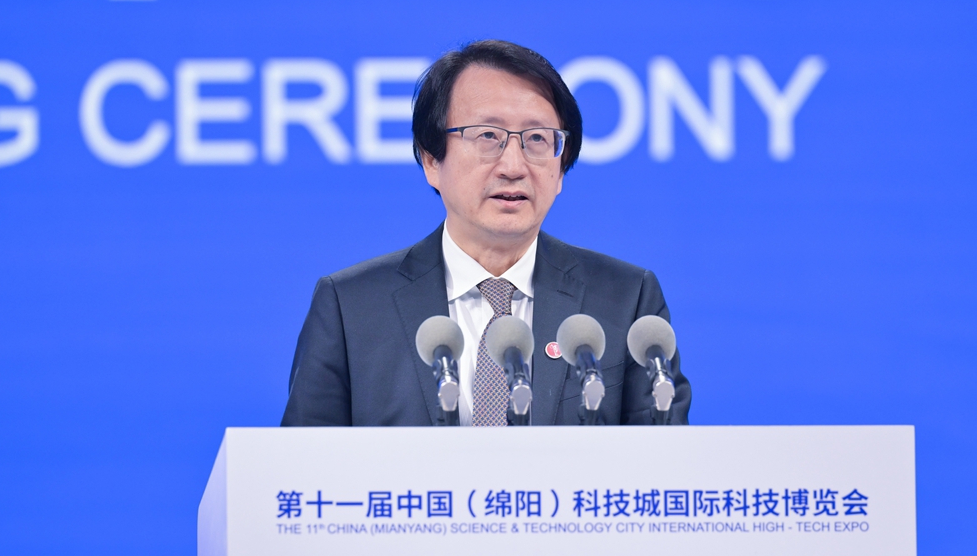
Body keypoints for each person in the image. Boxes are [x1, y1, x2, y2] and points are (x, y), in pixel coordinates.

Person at [282, 40, 690, 426]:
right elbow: (302, 465)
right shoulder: (351, 308)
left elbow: (667, 461)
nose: (513, 166)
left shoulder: (626, 300)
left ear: (561, 169)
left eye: (537, 139)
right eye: (488, 136)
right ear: (431, 160)